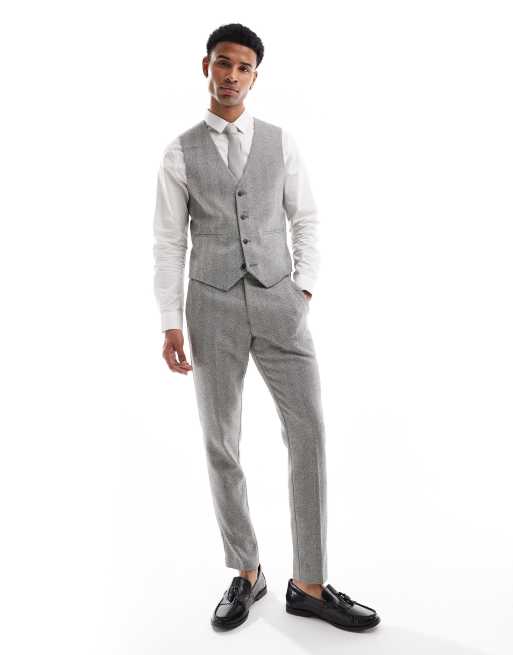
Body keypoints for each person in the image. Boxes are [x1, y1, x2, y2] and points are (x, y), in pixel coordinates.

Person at [153, 22, 381, 632]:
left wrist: (302, 289)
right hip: (211, 308)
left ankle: (309, 584)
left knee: (308, 432)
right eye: (222, 63)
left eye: (243, 67)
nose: (231, 75)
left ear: (255, 76)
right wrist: (170, 321)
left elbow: (306, 218)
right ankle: (246, 570)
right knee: (221, 440)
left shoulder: (281, 143)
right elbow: (169, 242)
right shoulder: (178, 152)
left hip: (281, 303)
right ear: (205, 66)